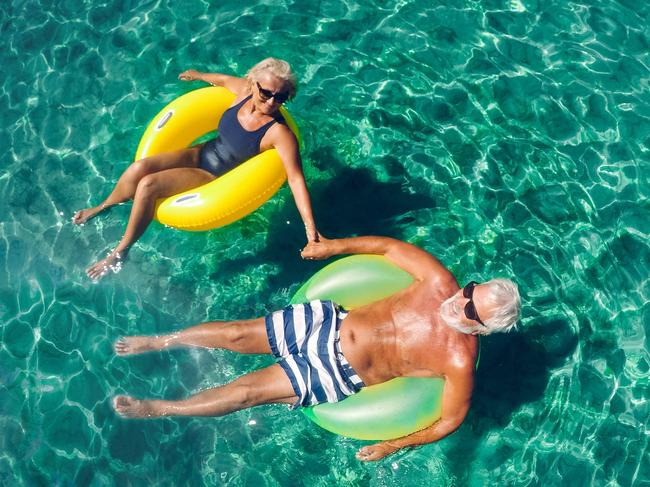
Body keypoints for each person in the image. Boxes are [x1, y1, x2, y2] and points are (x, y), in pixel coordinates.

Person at [112, 235, 521, 461]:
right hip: (329, 321)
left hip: (338, 372)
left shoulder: (458, 360)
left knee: (246, 393)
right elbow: (388, 249)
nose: (460, 300)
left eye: (470, 308)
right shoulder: (439, 283)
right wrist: (332, 247)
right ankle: (163, 340)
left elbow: (449, 421)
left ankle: (160, 408)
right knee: (238, 333)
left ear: (483, 328)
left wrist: (392, 445)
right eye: (470, 290)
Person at [74, 58, 319, 280]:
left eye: (281, 97)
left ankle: (120, 251)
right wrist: (199, 74)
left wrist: (311, 232)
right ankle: (104, 206)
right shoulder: (243, 92)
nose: (272, 102)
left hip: (212, 175)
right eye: (266, 93)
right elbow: (222, 80)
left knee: (149, 185)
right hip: (200, 152)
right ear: (253, 83)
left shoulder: (279, 133)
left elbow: (296, 180)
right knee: (139, 168)